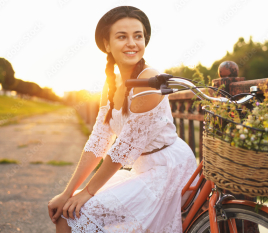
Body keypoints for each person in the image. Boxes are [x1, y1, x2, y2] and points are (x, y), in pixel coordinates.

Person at [47, 5, 197, 233]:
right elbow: (99, 139)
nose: (132, 43)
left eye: (138, 36)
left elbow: (125, 147)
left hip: (167, 170)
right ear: (107, 44)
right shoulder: (110, 83)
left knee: (73, 215)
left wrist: (88, 192)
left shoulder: (150, 80)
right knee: (67, 209)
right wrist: (68, 192)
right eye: (122, 36)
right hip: (143, 168)